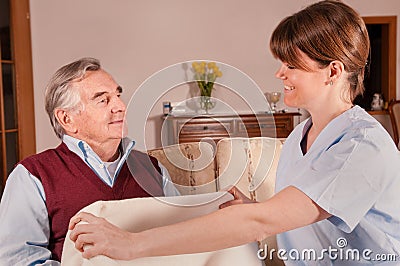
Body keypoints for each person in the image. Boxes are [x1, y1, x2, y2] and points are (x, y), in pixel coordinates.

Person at [69, 1, 400, 264]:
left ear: (333, 71)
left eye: (291, 65)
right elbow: (302, 211)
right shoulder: (303, 135)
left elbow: (263, 222)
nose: (279, 72)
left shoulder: (361, 146)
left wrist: (132, 243)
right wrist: (255, 206)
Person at [0, 57, 180, 265]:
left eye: (118, 95)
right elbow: (18, 261)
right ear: (67, 119)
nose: (120, 106)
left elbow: (183, 236)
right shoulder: (32, 176)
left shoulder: (153, 168)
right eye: (103, 100)